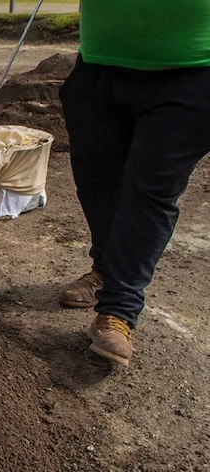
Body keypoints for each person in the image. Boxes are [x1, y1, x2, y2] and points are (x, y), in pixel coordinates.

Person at [58, 2, 210, 367]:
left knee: (149, 191)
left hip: (193, 71)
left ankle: (119, 311)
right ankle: (106, 269)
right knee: (97, 182)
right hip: (98, 64)